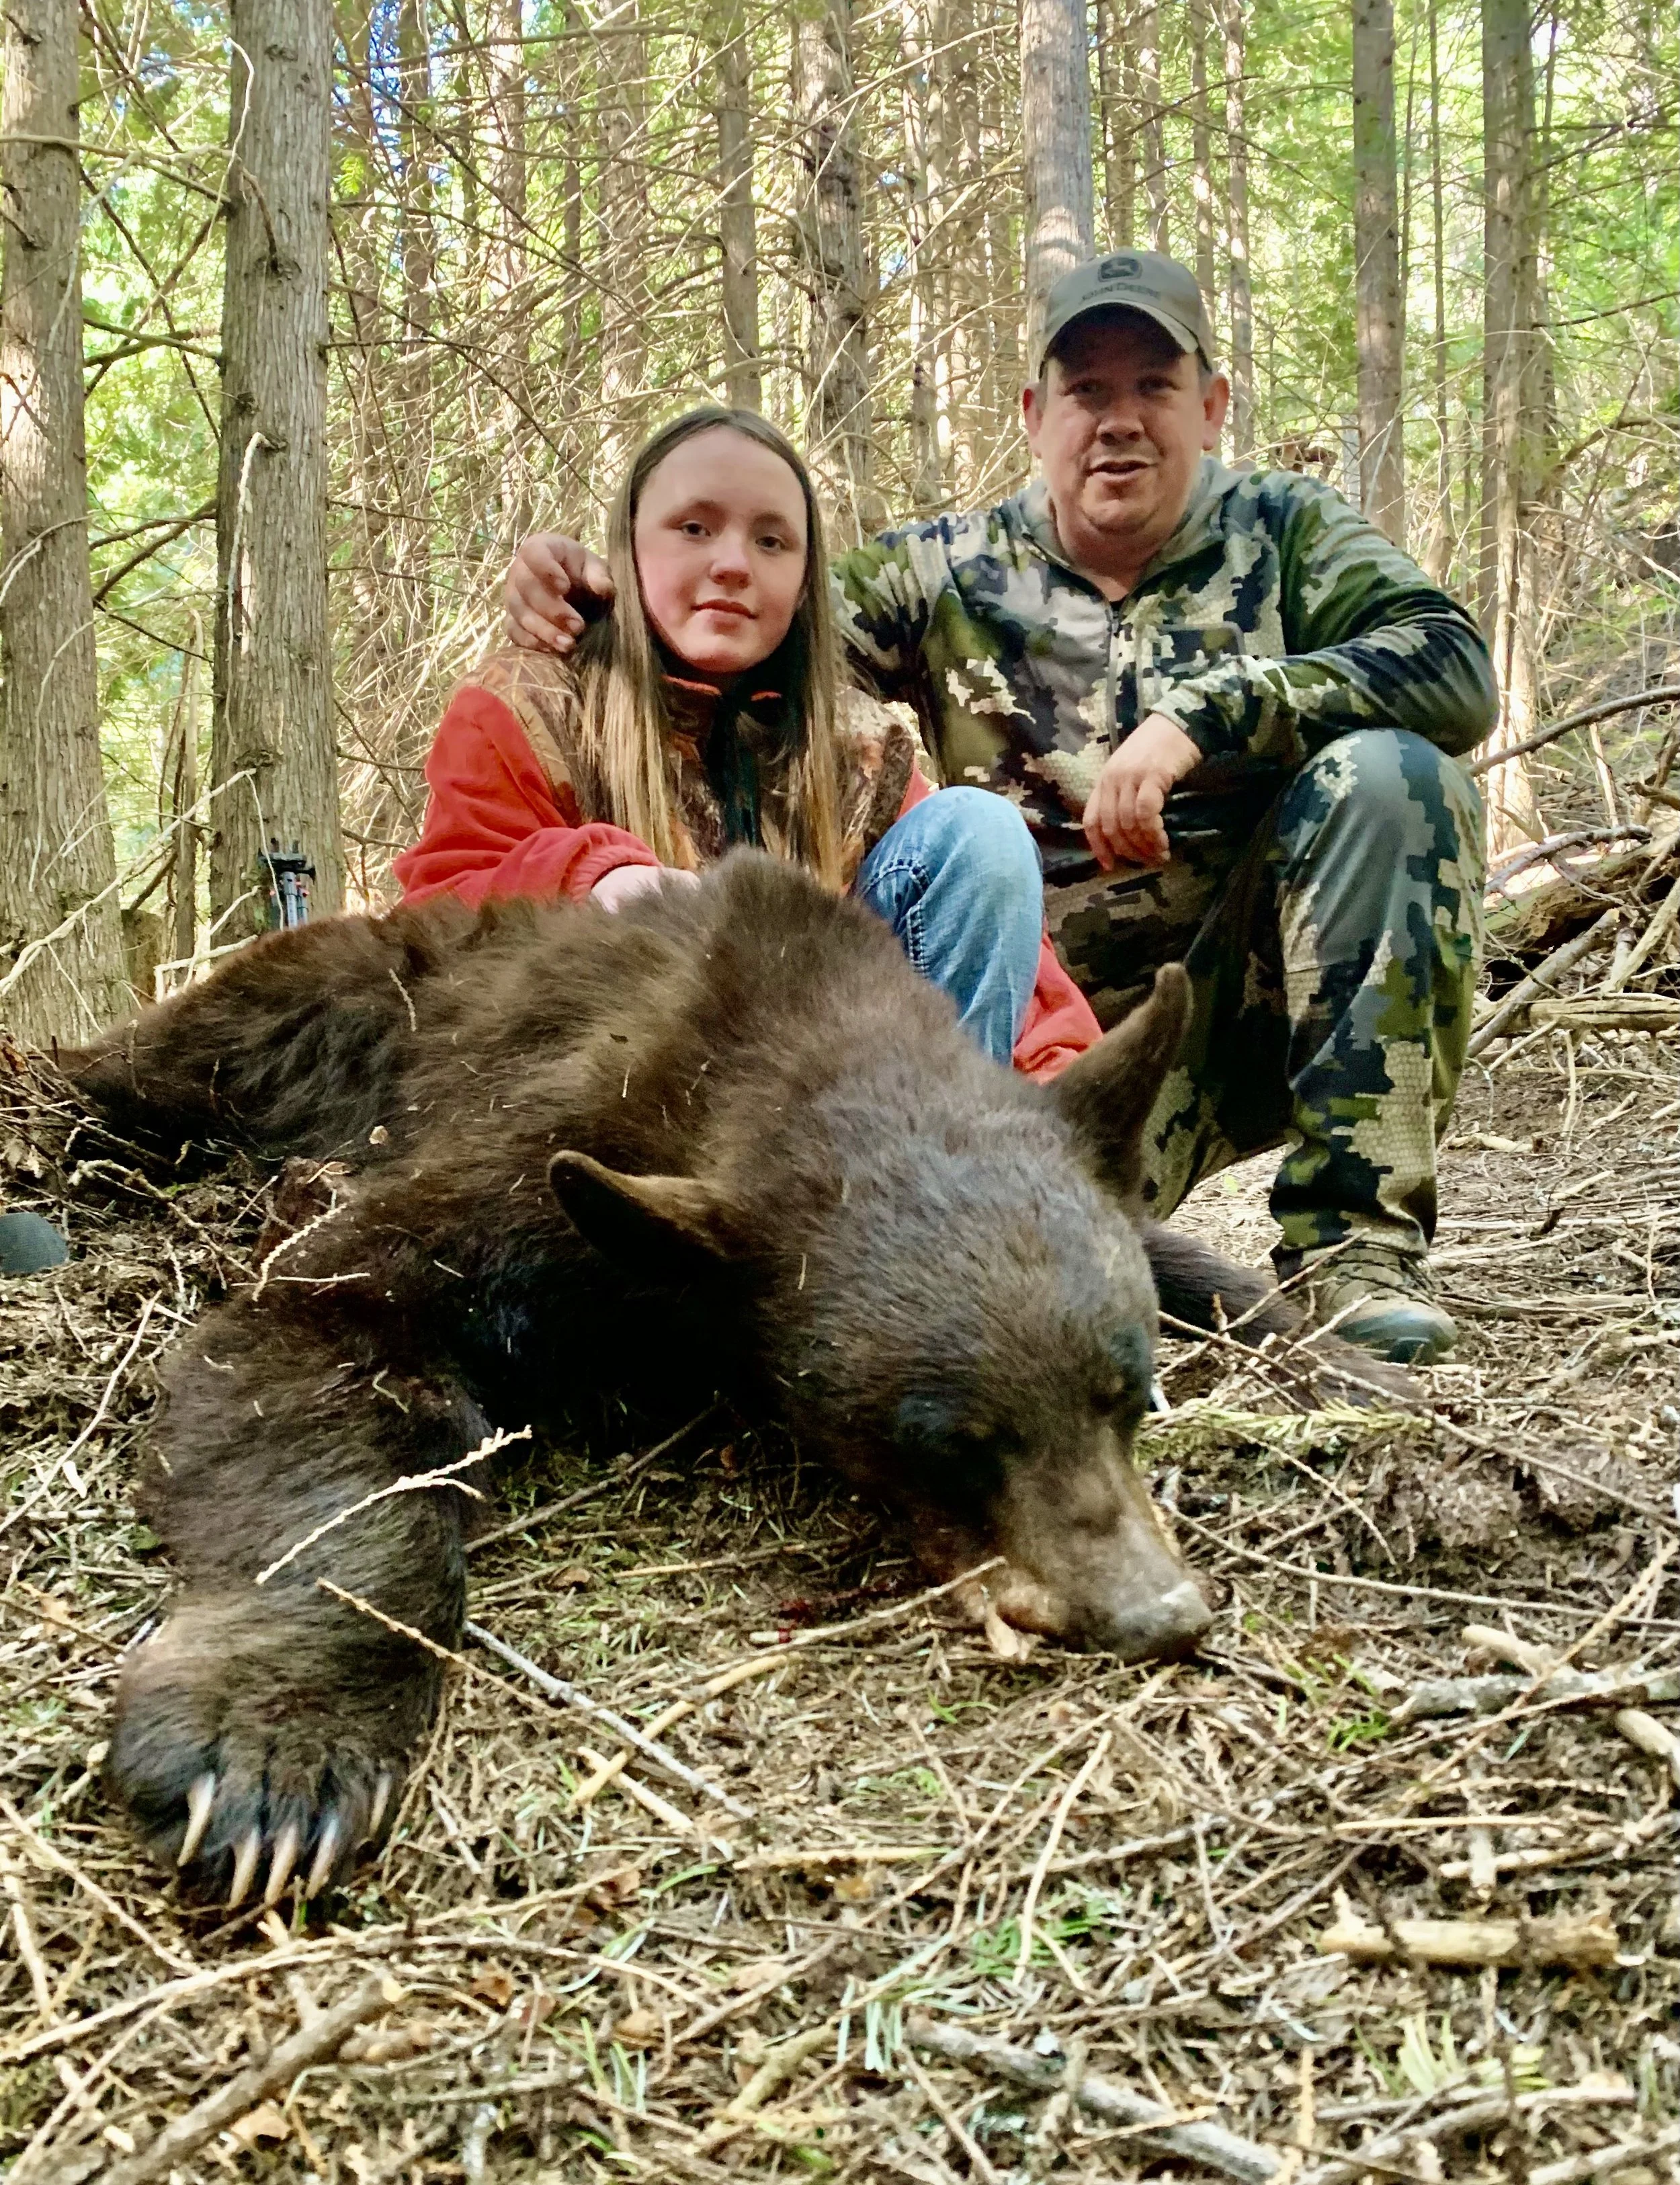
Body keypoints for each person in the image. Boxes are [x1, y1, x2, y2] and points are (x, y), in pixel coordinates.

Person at [503, 254, 1499, 1364]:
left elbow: (1454, 667)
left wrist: (1210, 715)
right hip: (1015, 1064)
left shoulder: (1290, 533)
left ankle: (1355, 1256)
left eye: (1153, 389)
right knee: (960, 845)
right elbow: (746, 608)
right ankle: (934, 1247)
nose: (1118, 421)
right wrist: (593, 587)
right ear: (1034, 416)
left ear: (1212, 408)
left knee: (1394, 778)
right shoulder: (940, 571)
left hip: (1235, 1009)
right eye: (1085, 391)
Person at [395, 405, 1099, 1078]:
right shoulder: (524, 704)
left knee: (981, 832)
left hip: (829, 1107)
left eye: (771, 540)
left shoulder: (859, 744)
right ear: (628, 549)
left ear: (802, 584)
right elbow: (435, 923)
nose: (733, 563)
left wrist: (1074, 1125)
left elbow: (1025, 982)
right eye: (694, 527)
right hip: (613, 1103)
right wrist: (593, 878)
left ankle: (963, 1164)